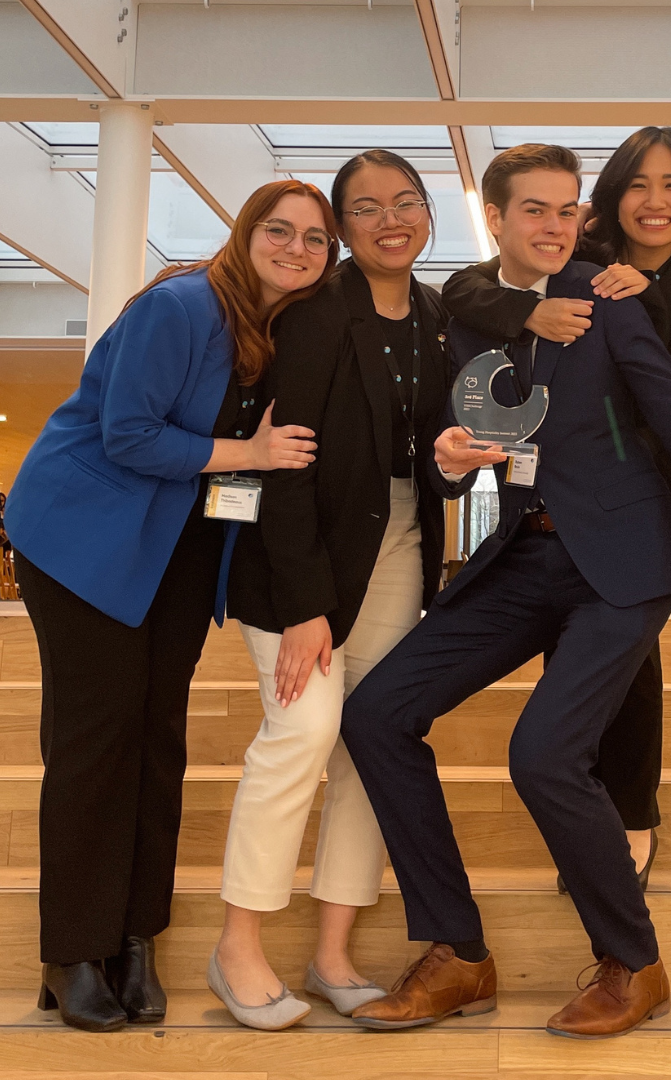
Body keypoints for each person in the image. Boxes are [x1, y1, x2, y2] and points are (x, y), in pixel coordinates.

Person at [339, 143, 671, 1040]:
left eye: (566, 208)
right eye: (533, 210)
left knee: (543, 754)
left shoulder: (612, 303)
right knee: (377, 713)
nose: (555, 226)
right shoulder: (464, 315)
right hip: (518, 558)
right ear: (494, 218)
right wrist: (448, 460)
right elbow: (450, 440)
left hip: (621, 566)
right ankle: (458, 953)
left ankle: (633, 963)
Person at [3, 180, 335, 1032]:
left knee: (159, 742)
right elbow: (128, 433)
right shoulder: (183, 305)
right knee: (96, 740)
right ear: (245, 231)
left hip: (181, 545)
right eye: (280, 230)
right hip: (87, 539)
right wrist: (252, 450)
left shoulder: (277, 327)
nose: (298, 248)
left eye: (315, 237)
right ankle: (72, 952)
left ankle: (135, 939)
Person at [441, 126, 671, 886]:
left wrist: (647, 296)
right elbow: (470, 286)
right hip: (547, 480)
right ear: (609, 199)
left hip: (640, 478)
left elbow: (669, 392)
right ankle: (583, 799)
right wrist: (526, 315)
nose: (655, 201)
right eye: (638, 184)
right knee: (576, 656)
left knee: (631, 664)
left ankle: (631, 813)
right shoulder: (575, 248)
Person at [210, 151, 453, 1030]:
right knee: (305, 728)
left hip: (399, 541)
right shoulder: (315, 314)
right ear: (346, 230)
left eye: (407, 202)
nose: (390, 219)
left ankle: (332, 953)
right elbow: (286, 468)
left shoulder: (436, 312)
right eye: (365, 208)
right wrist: (309, 603)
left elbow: (432, 453)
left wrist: (452, 467)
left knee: (370, 735)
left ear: (427, 213)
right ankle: (238, 946)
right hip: (299, 550)